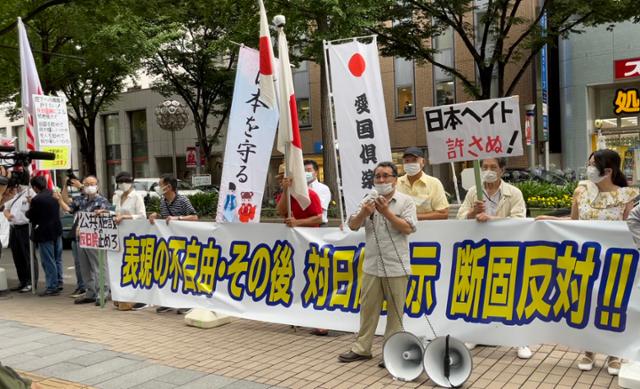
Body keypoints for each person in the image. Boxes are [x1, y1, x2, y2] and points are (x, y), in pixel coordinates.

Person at [537, 148, 637, 376]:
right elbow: (574, 221)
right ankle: (589, 349)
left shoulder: (627, 196)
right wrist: (549, 219)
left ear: (608, 170)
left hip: (613, 261)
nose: (589, 168)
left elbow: (627, 231)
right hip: (584, 259)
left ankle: (615, 353)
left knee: (612, 305)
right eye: (589, 163)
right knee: (586, 303)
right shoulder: (581, 191)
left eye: (593, 164)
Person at [338, 161, 417, 366]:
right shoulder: (368, 200)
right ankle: (362, 349)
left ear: (395, 179)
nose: (381, 180)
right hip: (372, 265)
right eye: (377, 177)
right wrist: (365, 212)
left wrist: (387, 214)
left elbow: (408, 228)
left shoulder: (405, 202)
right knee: (368, 308)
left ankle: (391, 352)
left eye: (386, 176)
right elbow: (353, 225)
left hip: (396, 265)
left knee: (395, 312)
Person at [456, 157, 531, 359]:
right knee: (479, 293)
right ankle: (476, 333)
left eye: (493, 167)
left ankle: (520, 339)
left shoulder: (513, 193)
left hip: (507, 249)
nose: (488, 170)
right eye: (485, 167)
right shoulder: (474, 192)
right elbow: (460, 217)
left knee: (512, 294)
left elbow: (519, 220)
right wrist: (473, 212)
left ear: (502, 170)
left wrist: (492, 219)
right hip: (480, 250)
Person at [57, 175, 111, 305]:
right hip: (80, 238)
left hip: (94, 238)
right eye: (87, 184)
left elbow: (106, 215)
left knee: (98, 266)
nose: (89, 186)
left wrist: (102, 213)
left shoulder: (101, 201)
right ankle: (90, 292)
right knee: (84, 267)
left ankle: (102, 293)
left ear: (97, 185)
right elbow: (69, 207)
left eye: (92, 184)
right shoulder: (81, 199)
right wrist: (61, 195)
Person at [148, 174, 198, 314]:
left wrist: (178, 218)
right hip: (169, 242)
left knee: (185, 271)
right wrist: (156, 216)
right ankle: (169, 301)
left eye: (160, 184)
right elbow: (165, 219)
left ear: (168, 186)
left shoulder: (182, 200)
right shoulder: (163, 201)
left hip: (184, 242)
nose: (158, 187)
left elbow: (194, 216)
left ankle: (189, 301)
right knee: (169, 270)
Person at [109, 171, 146, 310]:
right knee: (122, 265)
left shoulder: (137, 196)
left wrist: (125, 217)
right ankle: (124, 296)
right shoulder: (118, 197)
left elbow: (142, 216)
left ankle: (140, 298)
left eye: (125, 181)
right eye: (120, 181)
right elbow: (116, 212)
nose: (123, 184)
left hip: (134, 235)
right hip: (119, 235)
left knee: (134, 264)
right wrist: (107, 213)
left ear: (131, 181)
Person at [26, 176, 63, 297]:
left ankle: (52, 286)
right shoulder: (54, 195)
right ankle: (59, 282)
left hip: (44, 232)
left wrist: (30, 206)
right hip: (57, 230)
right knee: (57, 258)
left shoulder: (37, 199)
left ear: (35, 187)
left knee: (48, 260)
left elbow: (31, 216)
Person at [397, 147, 449, 220]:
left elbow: (443, 213)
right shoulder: (396, 183)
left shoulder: (434, 183)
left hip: (428, 229)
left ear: (423, 162)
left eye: (414, 160)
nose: (410, 163)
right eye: (407, 160)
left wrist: (413, 217)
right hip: (401, 229)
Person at [4, 181, 37, 293]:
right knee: (17, 256)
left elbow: (36, 208)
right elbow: (5, 208)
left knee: (27, 256)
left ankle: (31, 282)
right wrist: (7, 214)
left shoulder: (31, 193)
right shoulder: (16, 195)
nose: (16, 186)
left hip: (25, 227)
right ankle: (22, 281)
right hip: (14, 228)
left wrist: (31, 202)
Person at [304, 160, 332, 226]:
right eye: (304, 171)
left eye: (309, 170)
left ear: (316, 172)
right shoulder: (300, 187)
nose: (306, 173)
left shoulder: (323, 188)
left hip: (319, 226)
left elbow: (319, 209)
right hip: (302, 225)